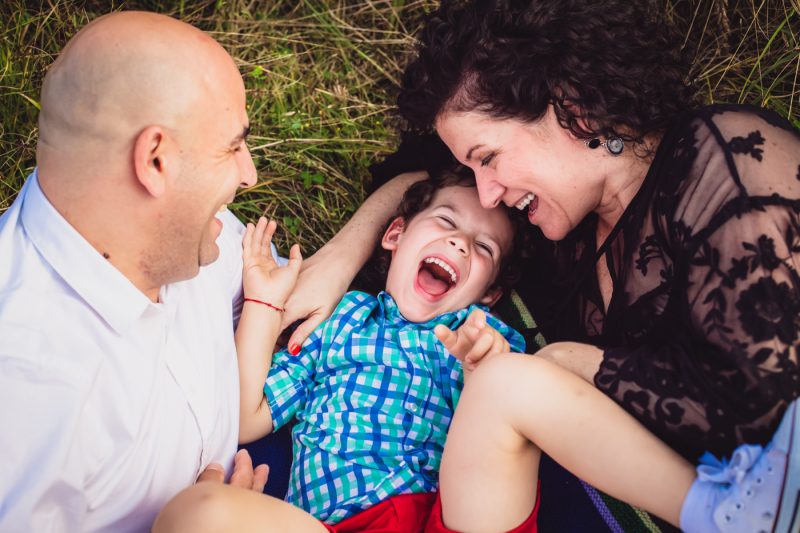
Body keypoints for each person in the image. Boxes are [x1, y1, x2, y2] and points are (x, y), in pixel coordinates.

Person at [265, 0, 800, 530]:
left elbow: (765, 407)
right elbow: (426, 184)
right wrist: (341, 255)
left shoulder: (723, 164)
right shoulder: (550, 222)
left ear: (570, 107)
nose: (487, 193)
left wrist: (571, 361)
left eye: (488, 158)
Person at [154, 171, 797, 533]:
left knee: (512, 383)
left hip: (453, 519)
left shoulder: (481, 334)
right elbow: (248, 419)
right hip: (334, 527)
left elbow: (518, 433)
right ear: (395, 235)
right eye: (446, 224)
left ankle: (721, 511)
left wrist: (484, 365)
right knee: (196, 514)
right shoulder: (340, 321)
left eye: (483, 249)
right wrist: (263, 306)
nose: (462, 244)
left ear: (489, 294)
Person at [0, 11, 276, 531]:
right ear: (155, 161)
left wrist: (389, 202)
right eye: (233, 147)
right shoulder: (28, 401)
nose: (250, 175)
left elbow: (288, 291)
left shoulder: (187, 227)